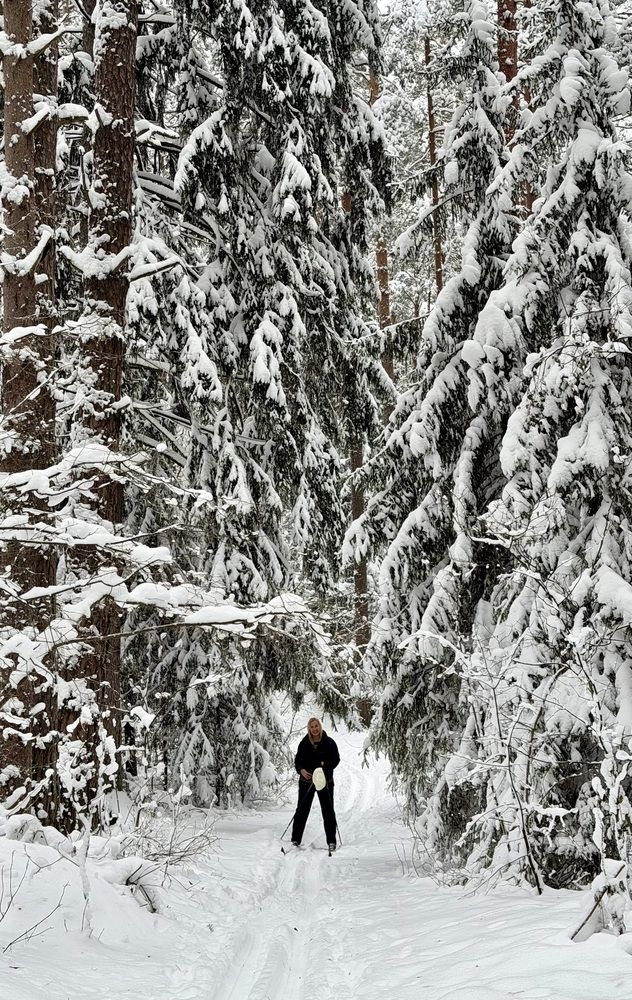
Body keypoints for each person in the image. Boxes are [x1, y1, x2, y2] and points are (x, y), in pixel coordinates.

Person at [291, 717, 340, 851]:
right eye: (311, 727)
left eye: (316, 726)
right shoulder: (304, 743)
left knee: (328, 810)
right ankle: (295, 839)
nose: (314, 729)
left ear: (320, 726)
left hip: (325, 782)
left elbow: (336, 760)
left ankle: (331, 841)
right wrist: (301, 770)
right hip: (306, 782)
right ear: (309, 729)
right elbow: (298, 760)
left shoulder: (329, 743)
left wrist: (324, 768)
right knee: (302, 810)